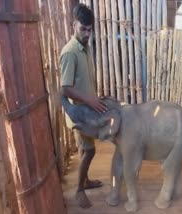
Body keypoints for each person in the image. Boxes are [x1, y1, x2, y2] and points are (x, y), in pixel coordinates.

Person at [60, 3, 107, 208]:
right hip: (78, 113)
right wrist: (89, 100)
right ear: (74, 25)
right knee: (88, 151)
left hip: (87, 110)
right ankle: (79, 190)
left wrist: (95, 97)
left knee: (86, 149)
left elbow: (83, 80)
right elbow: (66, 88)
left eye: (89, 30)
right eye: (83, 29)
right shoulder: (70, 52)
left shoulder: (85, 48)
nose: (87, 34)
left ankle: (85, 181)